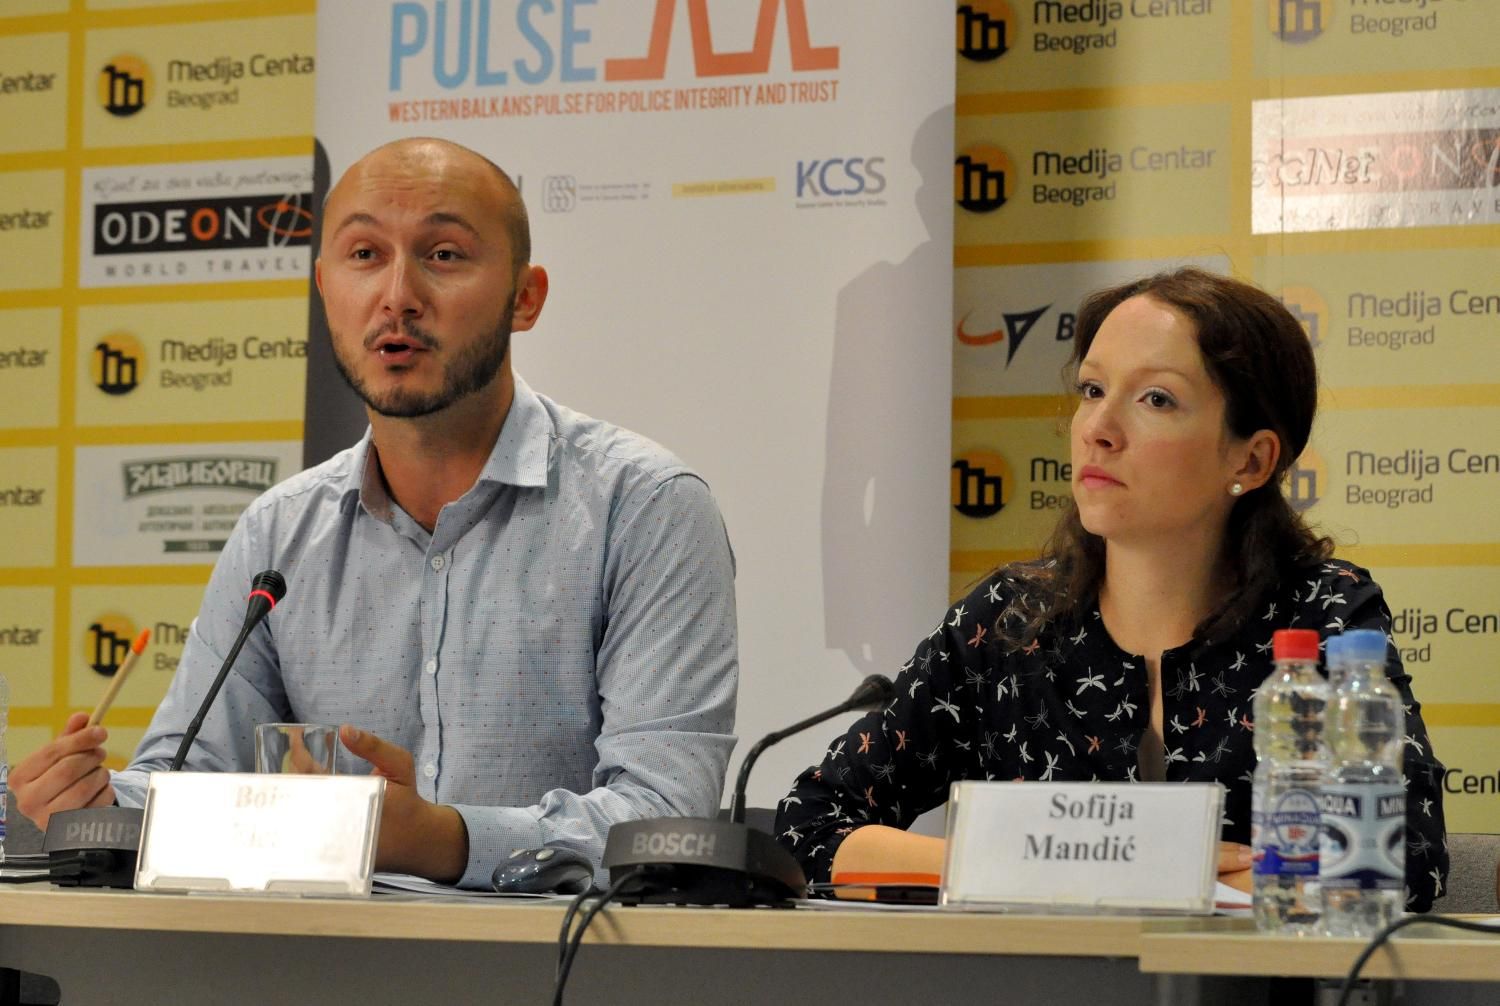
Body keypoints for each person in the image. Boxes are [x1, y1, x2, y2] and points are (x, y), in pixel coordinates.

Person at [14, 137, 739, 887]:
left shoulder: (644, 508)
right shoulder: (279, 532)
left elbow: (662, 819)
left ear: (525, 298)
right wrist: (98, 803)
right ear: (325, 289)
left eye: (444, 255)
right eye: (364, 255)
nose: (397, 296)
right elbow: (192, 780)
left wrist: (442, 840)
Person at [775, 268, 1448, 909]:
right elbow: (808, 828)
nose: (1098, 429)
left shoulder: (1319, 616)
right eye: (1093, 389)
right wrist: (1058, 864)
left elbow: (1400, 861)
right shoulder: (1010, 621)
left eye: (1156, 399)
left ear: (1251, 458)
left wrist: (1093, 871)